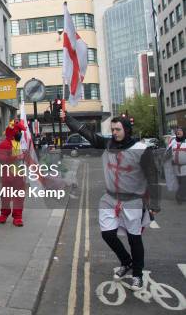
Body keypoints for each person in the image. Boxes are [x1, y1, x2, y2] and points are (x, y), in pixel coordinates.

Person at [60, 109, 160, 290]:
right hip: (110, 198)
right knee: (107, 234)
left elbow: (152, 177)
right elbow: (85, 132)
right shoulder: (107, 144)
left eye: (118, 130)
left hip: (133, 200)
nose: (114, 132)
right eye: (112, 129)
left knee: (134, 238)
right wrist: (67, 118)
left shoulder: (141, 150)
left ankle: (137, 275)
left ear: (127, 130)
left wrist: (154, 203)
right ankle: (126, 261)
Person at [0, 120, 26, 226]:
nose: (20, 133)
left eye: (20, 131)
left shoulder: (18, 143)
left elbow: (22, 160)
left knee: (19, 196)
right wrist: (16, 157)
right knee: (5, 196)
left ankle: (17, 216)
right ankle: (5, 213)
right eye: (18, 131)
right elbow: (2, 159)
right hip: (7, 175)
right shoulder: (4, 144)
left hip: (18, 174)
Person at [164, 127, 186, 204]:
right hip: (175, 168)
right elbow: (167, 153)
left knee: (184, 183)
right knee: (179, 183)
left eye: (180, 131)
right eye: (177, 131)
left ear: (184, 132)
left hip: (185, 167)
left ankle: (179, 196)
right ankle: (182, 196)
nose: (178, 132)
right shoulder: (173, 143)